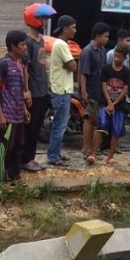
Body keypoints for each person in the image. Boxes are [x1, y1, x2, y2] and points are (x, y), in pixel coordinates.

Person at [0, 30, 31, 184]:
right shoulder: (4, 64)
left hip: (18, 114)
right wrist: (0, 115)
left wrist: (24, 109)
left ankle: (14, 175)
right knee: (5, 147)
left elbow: (19, 90)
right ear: (13, 46)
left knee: (19, 145)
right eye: (22, 44)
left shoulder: (20, 63)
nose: (25, 47)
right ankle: (1, 179)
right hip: (7, 115)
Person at [21, 3, 56, 172]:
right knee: (30, 128)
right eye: (42, 19)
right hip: (33, 93)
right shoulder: (27, 43)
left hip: (43, 91)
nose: (45, 22)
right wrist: (26, 91)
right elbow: (25, 69)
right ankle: (25, 160)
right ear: (34, 20)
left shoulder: (41, 40)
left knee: (36, 129)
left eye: (46, 19)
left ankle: (31, 158)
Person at [88, 44, 130, 165]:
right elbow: (103, 86)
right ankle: (93, 154)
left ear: (124, 58)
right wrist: (109, 103)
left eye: (119, 57)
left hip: (119, 106)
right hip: (105, 103)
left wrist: (115, 103)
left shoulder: (126, 72)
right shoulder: (106, 69)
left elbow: (125, 90)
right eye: (115, 56)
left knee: (116, 130)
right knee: (101, 127)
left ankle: (110, 156)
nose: (117, 59)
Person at [47, 14, 78, 167]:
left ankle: (56, 152)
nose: (75, 30)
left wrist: (69, 63)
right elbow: (73, 66)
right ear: (65, 28)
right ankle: (53, 156)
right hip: (61, 90)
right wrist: (70, 63)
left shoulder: (61, 44)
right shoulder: (61, 45)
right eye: (73, 27)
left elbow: (70, 65)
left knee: (60, 125)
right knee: (59, 125)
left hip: (61, 88)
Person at [79, 22, 111, 159]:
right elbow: (83, 73)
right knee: (90, 119)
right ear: (97, 36)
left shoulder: (102, 51)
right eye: (105, 36)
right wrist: (84, 91)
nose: (107, 39)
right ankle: (86, 148)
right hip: (90, 90)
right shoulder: (88, 51)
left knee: (96, 120)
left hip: (100, 91)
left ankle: (92, 147)